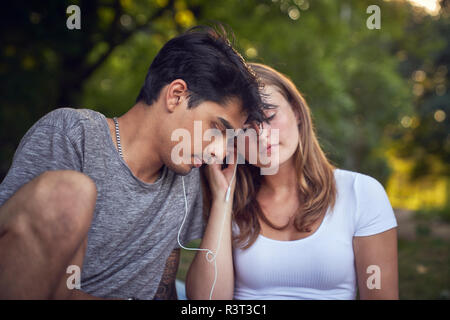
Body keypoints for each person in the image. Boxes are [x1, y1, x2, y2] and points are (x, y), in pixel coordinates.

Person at [0, 25, 269, 300]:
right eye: (217, 129)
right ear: (176, 95)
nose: (218, 151)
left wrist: (224, 197)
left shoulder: (186, 179)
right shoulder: (73, 134)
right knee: (72, 192)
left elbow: (200, 299)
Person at [186, 63, 399, 300]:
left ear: (296, 111)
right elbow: (206, 304)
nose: (262, 134)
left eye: (270, 116)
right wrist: (222, 200)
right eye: (246, 127)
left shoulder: (361, 193)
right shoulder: (233, 202)